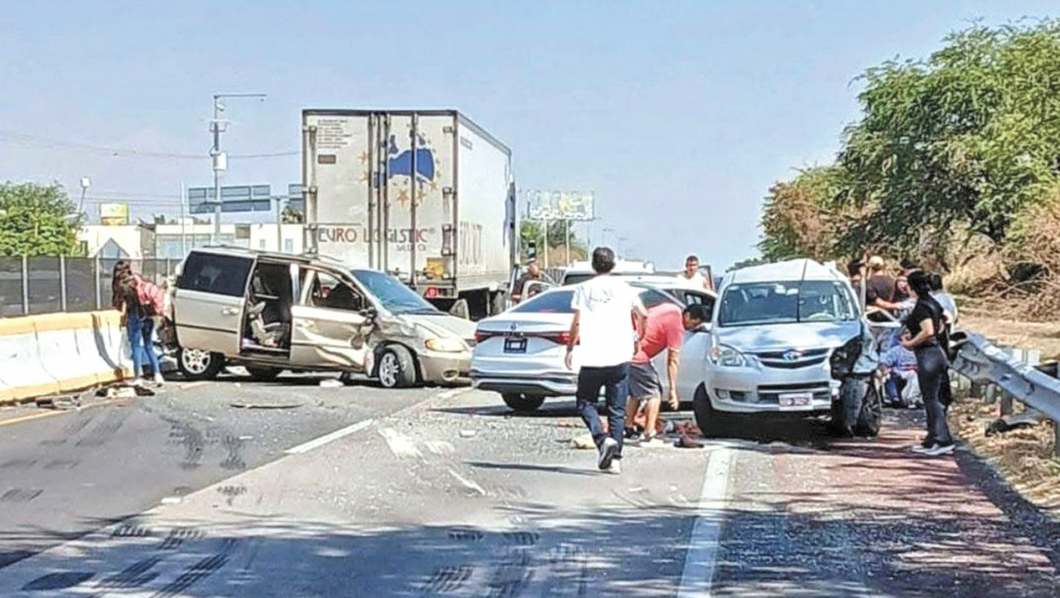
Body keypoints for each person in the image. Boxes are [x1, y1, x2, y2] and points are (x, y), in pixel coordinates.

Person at [565, 247, 648, 475]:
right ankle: (616, 460)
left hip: (593, 356)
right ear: (613, 266)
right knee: (617, 409)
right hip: (620, 356)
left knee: (585, 402)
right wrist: (637, 337)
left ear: (593, 265)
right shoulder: (625, 288)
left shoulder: (584, 288)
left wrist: (570, 347)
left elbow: (577, 322)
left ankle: (602, 440)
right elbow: (644, 314)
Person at [624, 303, 710, 447]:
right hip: (638, 356)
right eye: (695, 322)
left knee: (637, 392)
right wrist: (672, 391)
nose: (694, 327)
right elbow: (672, 361)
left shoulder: (670, 308)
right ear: (687, 315)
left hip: (627, 350)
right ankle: (648, 433)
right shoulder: (676, 327)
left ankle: (628, 427)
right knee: (654, 393)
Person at [901, 270, 954, 456]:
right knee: (932, 397)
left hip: (929, 355)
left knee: (932, 399)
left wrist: (910, 342)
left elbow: (928, 330)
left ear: (911, 286)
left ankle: (942, 440)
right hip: (936, 352)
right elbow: (947, 317)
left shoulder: (922, 306)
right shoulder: (933, 302)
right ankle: (932, 439)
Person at [112, 261, 164, 387]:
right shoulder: (138, 280)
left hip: (135, 316)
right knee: (149, 345)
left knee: (136, 347)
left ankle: (137, 377)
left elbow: (119, 305)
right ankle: (158, 375)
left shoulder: (122, 285)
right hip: (148, 315)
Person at [879, 343, 920, 408]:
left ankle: (911, 400)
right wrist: (886, 370)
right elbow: (885, 364)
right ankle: (891, 398)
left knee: (915, 376)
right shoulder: (896, 351)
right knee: (887, 376)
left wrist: (916, 368)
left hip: (912, 374)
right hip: (897, 371)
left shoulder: (920, 351)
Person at [865, 256, 901, 322]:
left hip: (873, 317)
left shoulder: (869, 282)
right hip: (891, 316)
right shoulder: (892, 281)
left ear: (870, 268)